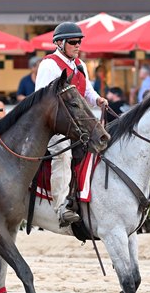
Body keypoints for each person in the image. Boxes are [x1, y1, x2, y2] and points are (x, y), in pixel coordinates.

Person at [35, 21, 108, 226]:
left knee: (104, 143)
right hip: (54, 125)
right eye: (74, 42)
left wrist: (98, 100)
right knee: (63, 154)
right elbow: (41, 99)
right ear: (59, 43)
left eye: (79, 42)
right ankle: (60, 207)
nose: (78, 46)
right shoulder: (49, 65)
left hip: (78, 123)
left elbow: (87, 92)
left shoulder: (80, 65)